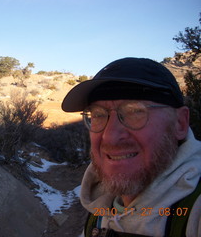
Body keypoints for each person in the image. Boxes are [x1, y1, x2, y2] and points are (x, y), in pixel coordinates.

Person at [61, 57, 201, 237]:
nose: (110, 137)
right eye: (98, 115)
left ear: (180, 124)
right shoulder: (99, 210)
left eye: (135, 111)